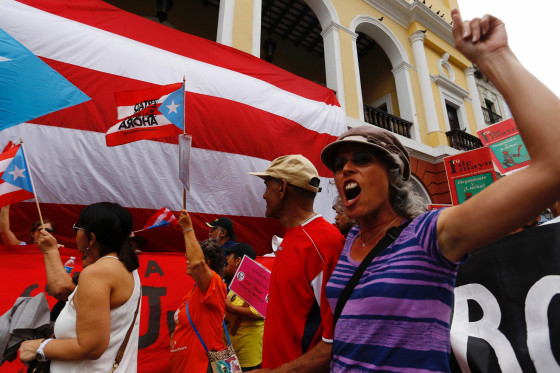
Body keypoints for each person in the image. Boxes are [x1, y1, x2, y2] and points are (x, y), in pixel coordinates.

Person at [319, 9, 560, 372]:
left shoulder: (430, 235)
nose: (346, 169)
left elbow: (554, 165)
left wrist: (496, 57)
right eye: (339, 166)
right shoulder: (349, 241)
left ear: (394, 175)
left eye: (363, 159)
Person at [18, 202, 141, 372]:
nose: (75, 234)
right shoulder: (124, 266)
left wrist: (40, 347)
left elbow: (91, 347)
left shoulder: (97, 273)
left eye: (77, 228)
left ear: (91, 238)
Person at [249, 154, 345, 372]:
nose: (264, 194)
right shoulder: (293, 237)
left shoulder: (323, 242)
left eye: (267, 185)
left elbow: (335, 343)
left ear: (282, 188)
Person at [170, 212, 228, 373]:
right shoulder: (193, 292)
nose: (187, 261)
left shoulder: (215, 283)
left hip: (203, 367)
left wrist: (188, 229)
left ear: (206, 264)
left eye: (191, 256)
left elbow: (197, 264)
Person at [223, 242, 264, 371]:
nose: (226, 260)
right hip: (230, 350)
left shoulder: (258, 281)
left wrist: (231, 308)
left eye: (229, 257)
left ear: (238, 260)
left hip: (247, 355)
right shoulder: (237, 282)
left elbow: (259, 313)